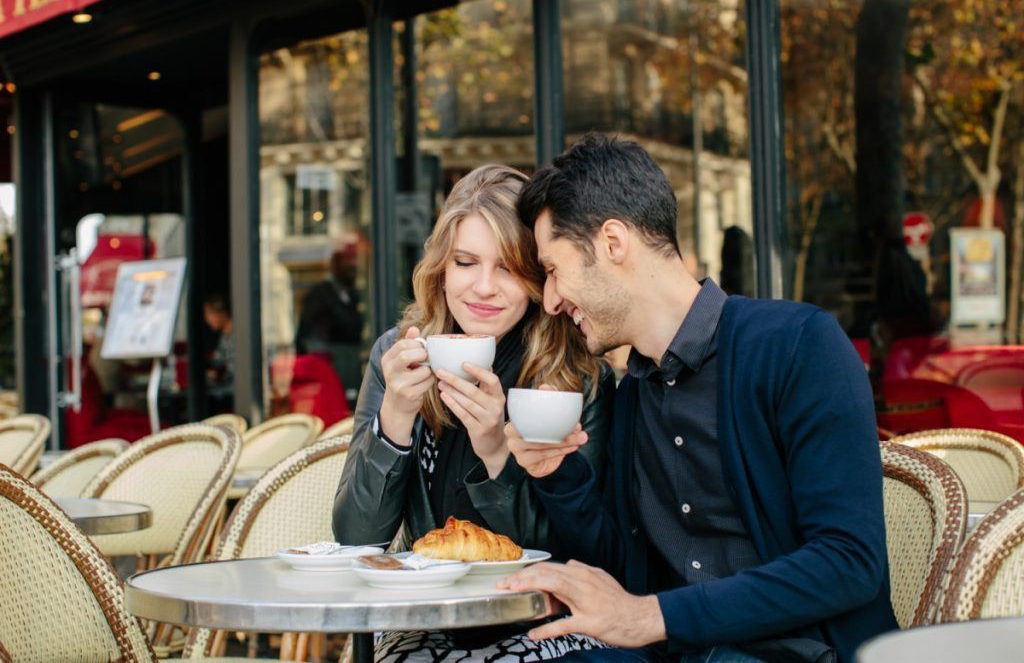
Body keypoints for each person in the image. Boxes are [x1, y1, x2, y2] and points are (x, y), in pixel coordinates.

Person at [499, 133, 898, 663]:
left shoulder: (797, 345)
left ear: (613, 242)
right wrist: (557, 474)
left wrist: (653, 618)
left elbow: (848, 562)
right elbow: (626, 572)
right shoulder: (634, 393)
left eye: (552, 269)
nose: (549, 301)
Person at [333, 164, 615, 661]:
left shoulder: (576, 377)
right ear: (442, 267)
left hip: (546, 620)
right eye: (466, 262)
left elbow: (586, 550)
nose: (483, 287)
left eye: (507, 268)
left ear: (536, 280)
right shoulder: (396, 356)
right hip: (425, 617)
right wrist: (395, 417)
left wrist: (494, 452)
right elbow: (356, 538)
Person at [294, 237, 366, 393]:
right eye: (347, 260)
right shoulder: (319, 295)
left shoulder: (352, 296)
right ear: (335, 264)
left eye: (354, 259)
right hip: (327, 373)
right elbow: (306, 337)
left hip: (349, 369)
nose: (353, 265)